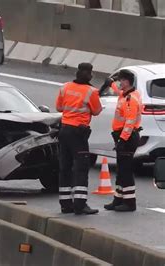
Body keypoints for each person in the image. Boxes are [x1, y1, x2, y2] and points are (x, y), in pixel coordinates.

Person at [56, 63, 103, 215]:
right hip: (78, 132)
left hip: (64, 130)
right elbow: (96, 111)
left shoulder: (65, 87)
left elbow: (59, 108)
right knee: (81, 168)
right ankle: (80, 204)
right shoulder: (91, 91)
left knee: (65, 168)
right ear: (90, 74)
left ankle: (65, 204)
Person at [104, 70, 142, 212]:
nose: (119, 83)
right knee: (121, 171)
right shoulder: (127, 94)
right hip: (124, 136)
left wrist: (122, 140)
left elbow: (130, 122)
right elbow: (117, 90)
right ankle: (118, 199)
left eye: (121, 81)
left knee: (125, 171)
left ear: (126, 82)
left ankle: (130, 202)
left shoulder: (130, 100)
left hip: (127, 137)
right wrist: (111, 83)